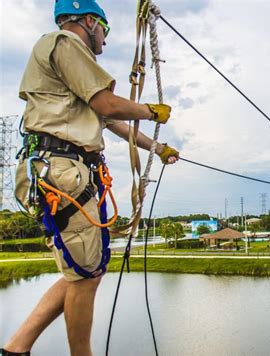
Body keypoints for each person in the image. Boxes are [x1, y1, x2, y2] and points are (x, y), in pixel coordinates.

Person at [1, 1, 179, 355]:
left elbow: (110, 121)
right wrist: (150, 111)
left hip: (62, 172)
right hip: (65, 173)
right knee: (86, 276)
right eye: (105, 31)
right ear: (89, 22)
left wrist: (156, 147)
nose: (106, 41)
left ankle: (17, 348)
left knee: (81, 272)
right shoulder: (64, 44)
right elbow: (109, 106)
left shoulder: (64, 65)